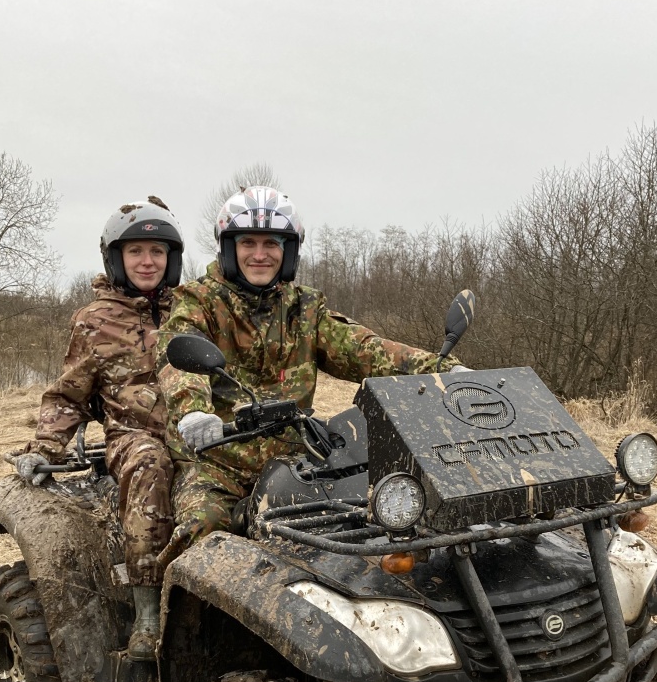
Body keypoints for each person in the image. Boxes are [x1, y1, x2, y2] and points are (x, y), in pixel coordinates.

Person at [155, 186, 464, 559]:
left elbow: (366, 349)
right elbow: (177, 356)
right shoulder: (198, 301)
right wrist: (192, 410)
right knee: (201, 532)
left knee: (370, 528)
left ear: (288, 251)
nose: (259, 254)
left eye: (272, 243)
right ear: (228, 248)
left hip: (297, 462)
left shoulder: (304, 308)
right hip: (220, 463)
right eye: (248, 242)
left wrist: (446, 370)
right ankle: (177, 616)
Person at [13, 197, 181, 661]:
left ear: (172, 259)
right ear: (116, 258)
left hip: (197, 430)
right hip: (133, 437)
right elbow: (68, 393)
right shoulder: (96, 320)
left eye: (158, 252)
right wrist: (46, 445)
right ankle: (148, 617)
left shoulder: (191, 310)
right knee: (151, 467)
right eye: (136, 252)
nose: (148, 262)